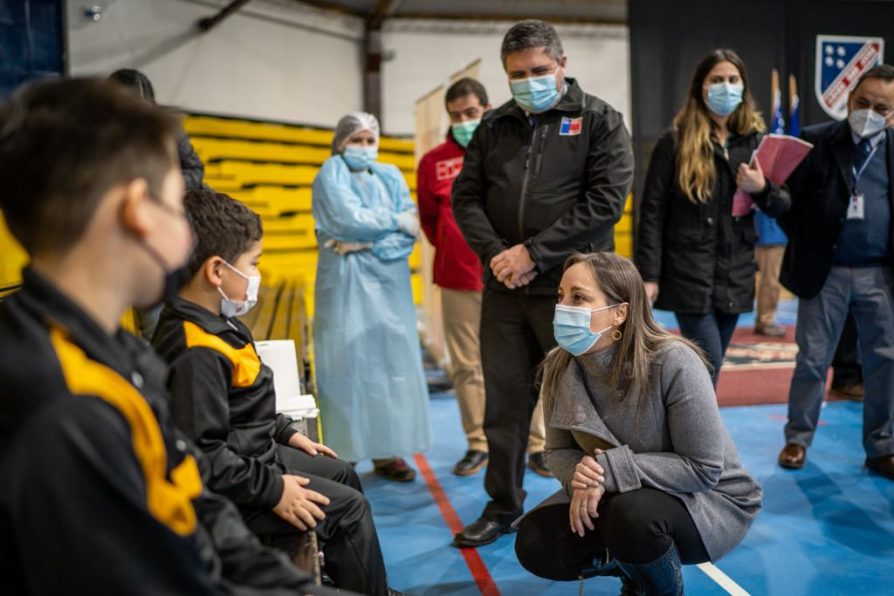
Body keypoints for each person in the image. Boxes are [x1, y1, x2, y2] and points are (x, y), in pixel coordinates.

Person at [0, 77, 329, 594]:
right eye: (179, 204)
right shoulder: (64, 407)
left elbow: (193, 496)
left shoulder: (114, 348)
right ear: (137, 211)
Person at [152, 188, 396, 595]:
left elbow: (243, 401)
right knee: (351, 511)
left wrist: (286, 432)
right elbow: (202, 457)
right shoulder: (196, 351)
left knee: (342, 471)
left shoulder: (220, 321)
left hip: (255, 454)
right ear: (217, 271)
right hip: (237, 487)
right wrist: (273, 489)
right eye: (253, 263)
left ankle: (353, 571)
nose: (257, 274)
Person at [452, 19, 634, 547]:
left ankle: (602, 506)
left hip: (576, 293)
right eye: (517, 74)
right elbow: (466, 197)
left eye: (539, 70)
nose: (528, 80)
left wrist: (535, 252)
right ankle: (503, 505)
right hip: (505, 291)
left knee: (586, 405)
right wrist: (499, 256)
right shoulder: (494, 126)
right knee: (505, 406)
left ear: (562, 65)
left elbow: (605, 202)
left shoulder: (599, 120)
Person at [514, 252, 762, 594]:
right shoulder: (559, 364)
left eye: (579, 297)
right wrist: (581, 475)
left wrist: (606, 471)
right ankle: (631, 561)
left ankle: (656, 587)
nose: (563, 307)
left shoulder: (674, 361)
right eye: (561, 296)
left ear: (620, 312)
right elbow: (557, 450)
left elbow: (703, 469)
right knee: (535, 542)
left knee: (631, 516)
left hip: (705, 499)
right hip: (620, 495)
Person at [743, 64, 894, 478]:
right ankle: (797, 438)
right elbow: (788, 205)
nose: (870, 111)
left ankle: (882, 446)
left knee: (885, 361)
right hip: (824, 272)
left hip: (880, 275)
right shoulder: (815, 141)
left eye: (882, 107)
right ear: (848, 99)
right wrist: (762, 192)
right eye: (863, 102)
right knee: (812, 359)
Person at [417, 77, 551, 478]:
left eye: (471, 113)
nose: (464, 121)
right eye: (456, 116)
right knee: (467, 365)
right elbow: (429, 221)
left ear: (487, 109)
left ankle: (538, 443)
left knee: (535, 360)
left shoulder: (510, 147)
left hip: (516, 275)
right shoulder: (433, 162)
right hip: (458, 276)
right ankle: (478, 442)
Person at [636, 48, 788, 386]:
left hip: (736, 271)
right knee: (708, 364)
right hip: (688, 271)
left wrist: (761, 188)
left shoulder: (757, 142)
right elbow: (652, 213)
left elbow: (782, 206)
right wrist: (649, 274)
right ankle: (697, 435)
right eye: (716, 80)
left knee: (707, 369)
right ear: (700, 88)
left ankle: (692, 433)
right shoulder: (673, 142)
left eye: (733, 80)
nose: (725, 87)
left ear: (743, 87)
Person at [312, 112, 431, 481]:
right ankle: (344, 452)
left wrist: (367, 245)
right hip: (344, 284)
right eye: (356, 140)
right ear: (341, 143)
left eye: (369, 140)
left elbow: (410, 227)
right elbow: (345, 219)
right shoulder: (331, 173)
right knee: (345, 363)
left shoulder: (390, 175)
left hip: (389, 284)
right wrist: (392, 220)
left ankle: (387, 450)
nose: (364, 148)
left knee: (389, 363)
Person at [753, 209, 788, 337]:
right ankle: (766, 320)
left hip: (774, 234)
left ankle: (764, 319)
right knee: (771, 281)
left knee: (770, 280)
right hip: (771, 236)